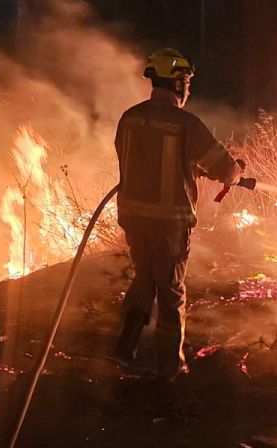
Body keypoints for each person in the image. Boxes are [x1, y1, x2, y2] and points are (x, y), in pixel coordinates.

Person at [113, 48, 242, 381]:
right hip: (170, 223)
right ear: (179, 83)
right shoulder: (186, 123)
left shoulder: (130, 118)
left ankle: (123, 350)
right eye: (186, 82)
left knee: (143, 278)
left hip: (133, 218)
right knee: (171, 292)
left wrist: (190, 168)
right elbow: (227, 170)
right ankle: (170, 368)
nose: (188, 88)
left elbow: (142, 163)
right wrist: (235, 171)